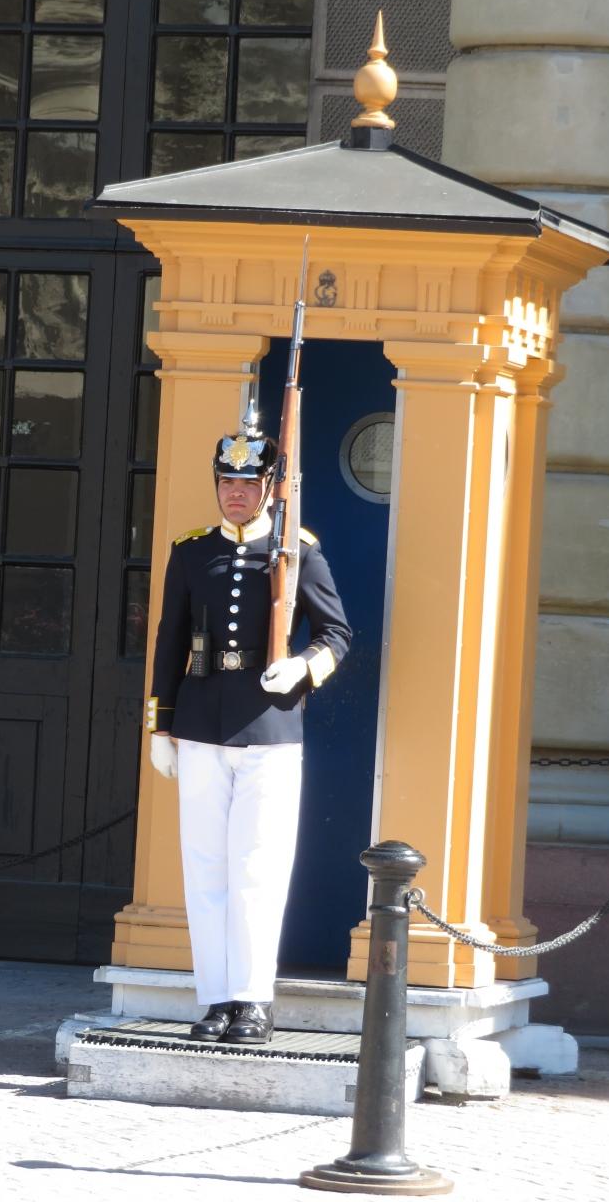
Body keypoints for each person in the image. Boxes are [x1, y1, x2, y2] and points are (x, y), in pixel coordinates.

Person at [146, 406, 351, 1044]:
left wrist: (303, 667)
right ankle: (215, 999)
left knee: (257, 872)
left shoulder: (297, 552)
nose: (235, 493)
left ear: (269, 487)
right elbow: (169, 640)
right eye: (226, 482)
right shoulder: (192, 552)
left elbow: (337, 634)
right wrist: (160, 726)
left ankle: (253, 1000)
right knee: (206, 869)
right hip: (201, 728)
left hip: (269, 732)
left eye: (247, 483)